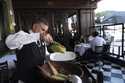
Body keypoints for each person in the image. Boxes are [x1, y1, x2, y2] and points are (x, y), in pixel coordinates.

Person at [6, 18, 53, 83]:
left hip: (39, 77)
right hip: (24, 79)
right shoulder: (23, 34)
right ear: (34, 26)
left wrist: (56, 56)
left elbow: (45, 55)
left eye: (45, 31)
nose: (44, 33)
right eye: (42, 30)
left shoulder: (42, 41)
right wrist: (38, 36)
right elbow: (9, 43)